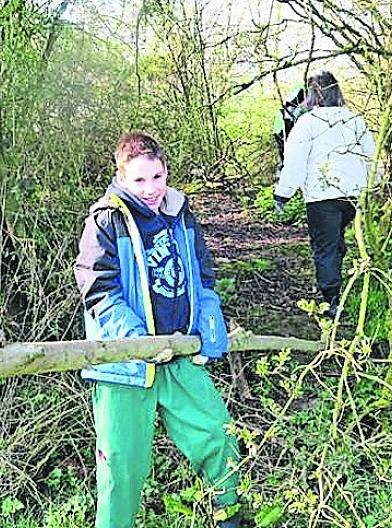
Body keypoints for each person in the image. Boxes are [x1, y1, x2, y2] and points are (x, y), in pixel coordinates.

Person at [74, 132, 242, 528]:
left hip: (180, 356)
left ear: (166, 171)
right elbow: (98, 291)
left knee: (219, 436)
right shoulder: (105, 220)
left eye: (157, 177)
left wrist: (208, 334)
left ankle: (229, 517)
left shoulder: (182, 213)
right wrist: (140, 343)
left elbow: (203, 279)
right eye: (139, 180)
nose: (150, 189)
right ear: (121, 177)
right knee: (121, 467)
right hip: (124, 366)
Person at [273, 71, 377, 316]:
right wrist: (374, 185)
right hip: (351, 195)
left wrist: (282, 194)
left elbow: (295, 162)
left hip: (323, 197)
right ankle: (336, 283)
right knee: (335, 240)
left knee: (325, 247)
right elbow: (372, 157)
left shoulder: (308, 123)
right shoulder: (354, 120)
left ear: (312, 95)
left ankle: (332, 299)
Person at [272, 83, 308, 165]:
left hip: (279, 129)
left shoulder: (294, 95)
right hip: (282, 129)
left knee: (285, 156)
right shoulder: (299, 97)